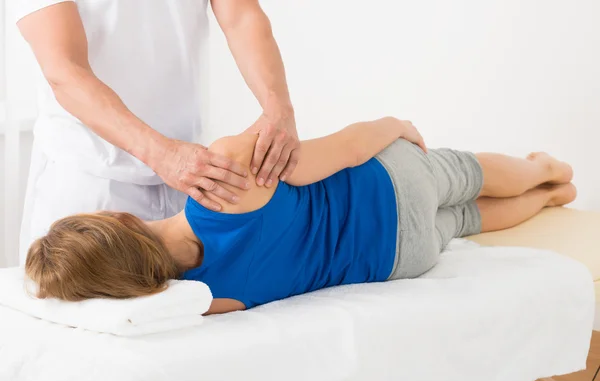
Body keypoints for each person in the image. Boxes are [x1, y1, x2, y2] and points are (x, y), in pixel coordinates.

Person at [24, 117, 576, 314]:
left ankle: (546, 199)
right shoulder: (223, 180)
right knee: (466, 173)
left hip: (403, 257)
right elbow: (346, 147)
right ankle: (543, 171)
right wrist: (392, 123)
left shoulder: (208, 303)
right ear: (120, 219)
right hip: (388, 185)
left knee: (464, 220)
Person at [16, 0, 299, 264]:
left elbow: (241, 16)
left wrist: (278, 107)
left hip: (187, 181)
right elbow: (65, 70)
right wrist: (163, 155)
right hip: (94, 185)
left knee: (192, 310)